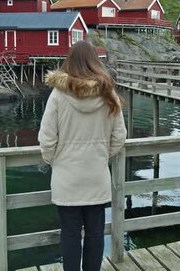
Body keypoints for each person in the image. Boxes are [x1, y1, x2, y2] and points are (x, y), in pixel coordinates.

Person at [38, 41, 127, 271]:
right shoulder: (109, 94)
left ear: (69, 62)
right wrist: (100, 156)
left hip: (66, 179)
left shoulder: (57, 95)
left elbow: (46, 139)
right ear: (95, 63)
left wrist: (55, 161)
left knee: (69, 234)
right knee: (96, 234)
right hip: (96, 176)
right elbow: (119, 136)